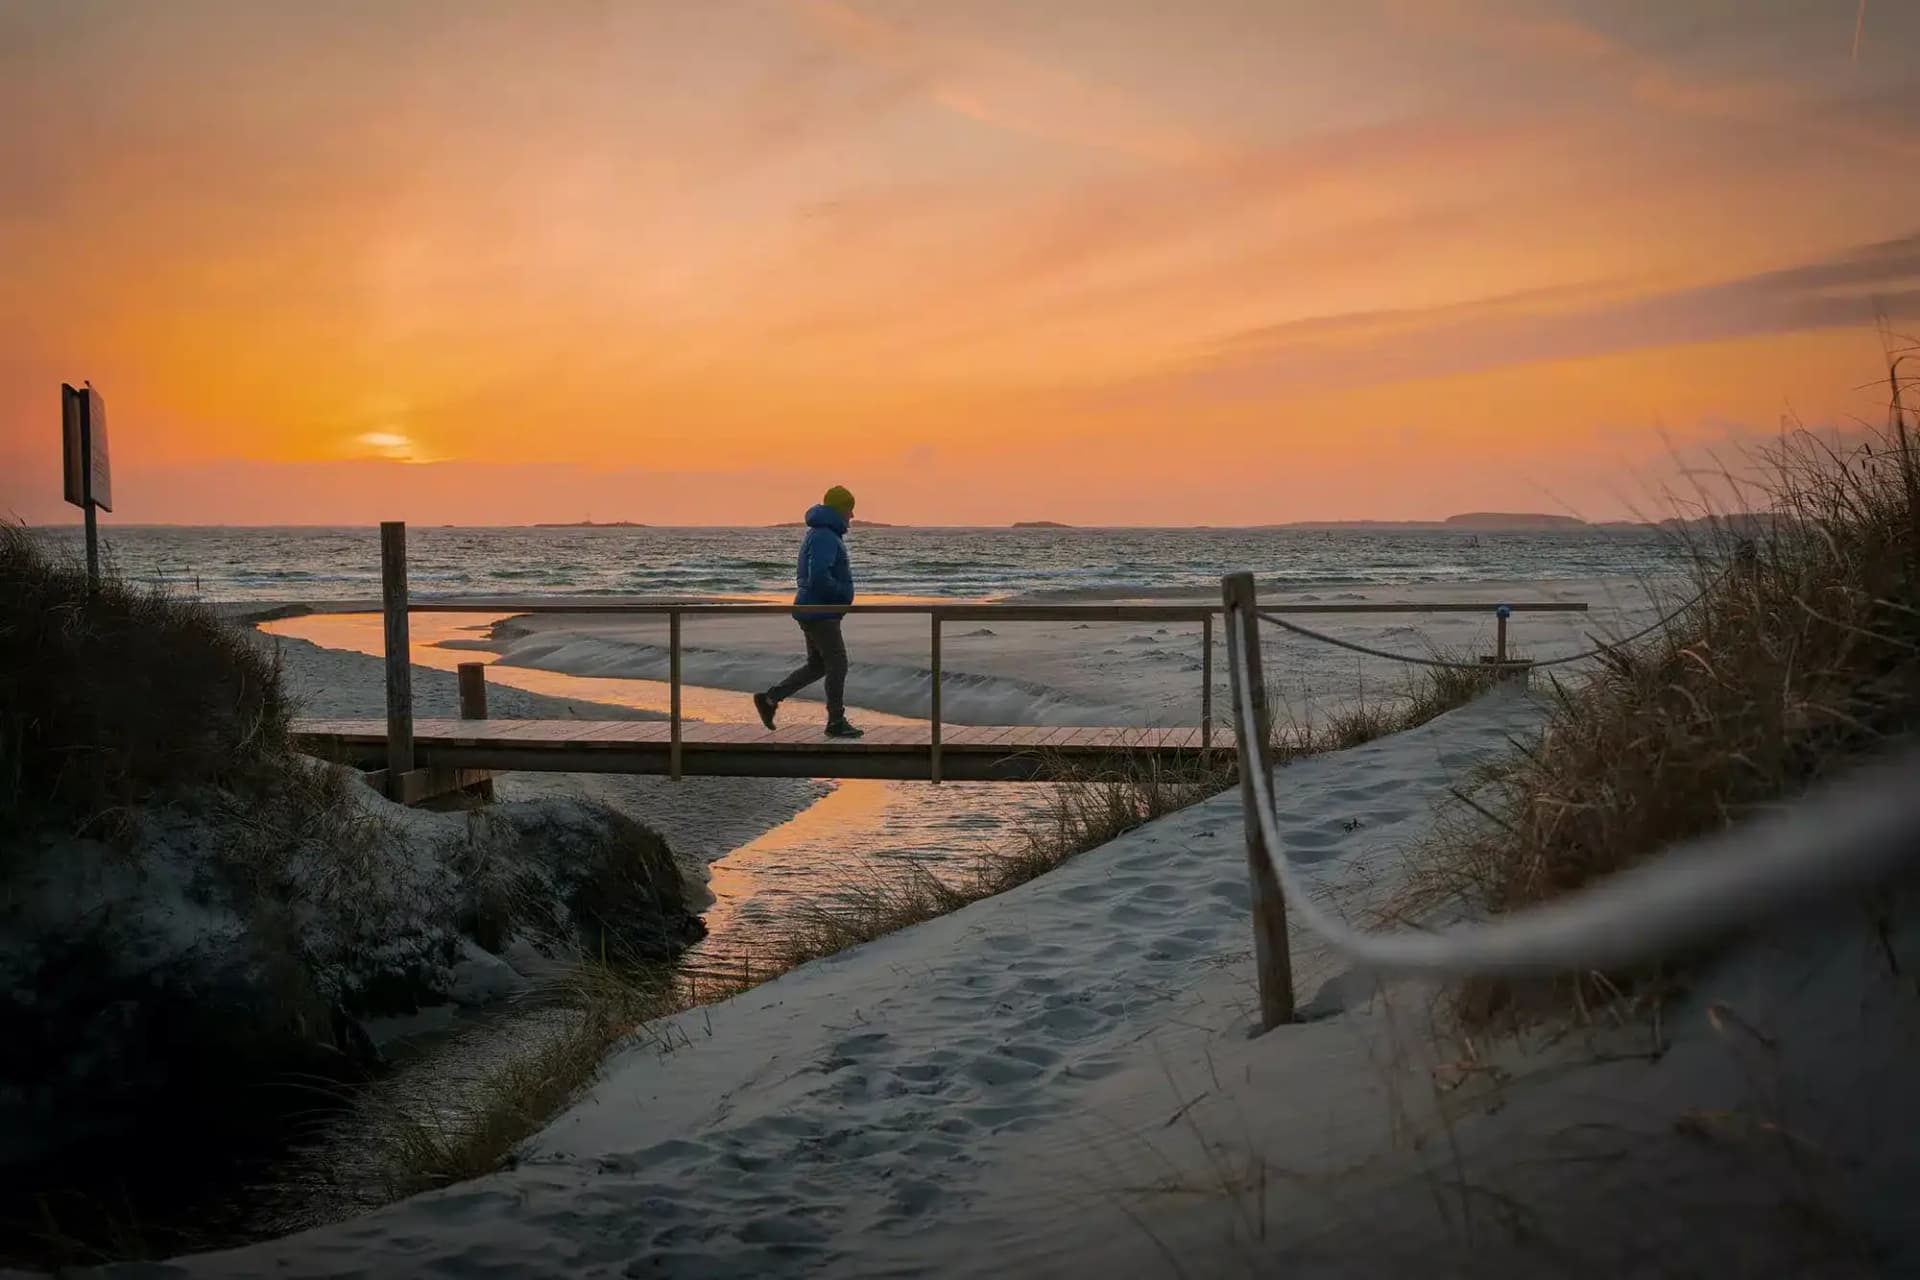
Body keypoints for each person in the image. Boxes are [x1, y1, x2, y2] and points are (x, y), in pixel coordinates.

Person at [755, 486, 863, 738]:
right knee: (837, 663)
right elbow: (818, 577)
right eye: (849, 509)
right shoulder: (825, 535)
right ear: (840, 509)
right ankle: (835, 720)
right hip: (820, 611)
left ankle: (770, 698)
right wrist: (840, 595)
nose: (852, 516)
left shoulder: (821, 533)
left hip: (814, 608)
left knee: (817, 665)